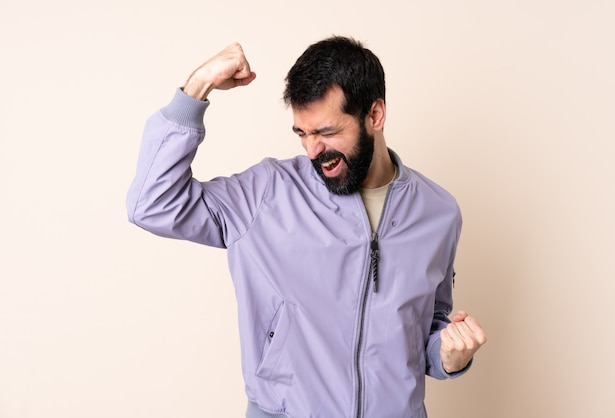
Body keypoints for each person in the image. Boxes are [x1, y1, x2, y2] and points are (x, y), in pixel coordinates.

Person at [126, 36, 486, 418]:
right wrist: (198, 86)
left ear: (375, 115)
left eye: (327, 132)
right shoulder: (267, 194)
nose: (314, 150)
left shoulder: (439, 212)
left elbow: (427, 326)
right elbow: (152, 203)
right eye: (303, 134)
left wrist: (449, 355)